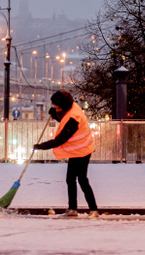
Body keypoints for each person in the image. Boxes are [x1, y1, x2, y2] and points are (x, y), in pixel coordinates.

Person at [33, 89, 99, 218]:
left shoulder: (74, 118)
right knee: (70, 179)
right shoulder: (72, 108)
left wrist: (42, 146)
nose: (54, 107)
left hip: (83, 150)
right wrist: (57, 115)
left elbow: (61, 139)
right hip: (77, 150)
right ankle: (73, 209)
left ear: (63, 105)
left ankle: (94, 210)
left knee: (82, 180)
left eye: (56, 105)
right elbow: (65, 120)